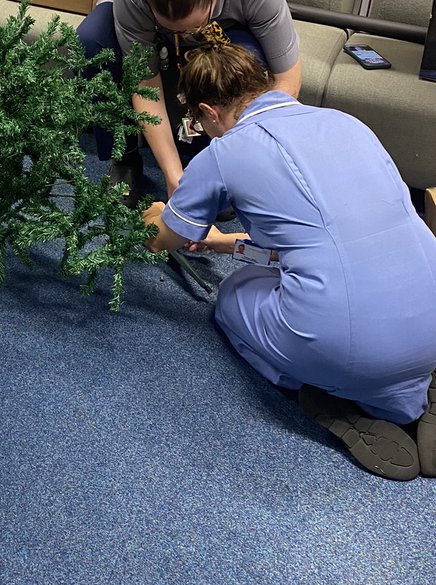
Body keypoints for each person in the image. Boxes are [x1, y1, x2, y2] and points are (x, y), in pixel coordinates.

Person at [142, 42, 436, 481]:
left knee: (233, 295)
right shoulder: (344, 121)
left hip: (343, 342)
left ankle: (324, 393)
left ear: (209, 111)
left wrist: (153, 220)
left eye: (198, 123)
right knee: (332, 271)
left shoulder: (223, 152)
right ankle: (409, 393)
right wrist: (226, 243)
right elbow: (330, 235)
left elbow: (164, 240)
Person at [77, 0, 301, 201]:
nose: (182, 38)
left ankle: (225, 167)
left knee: (250, 59)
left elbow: (287, 80)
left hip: (229, 23)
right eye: (171, 29)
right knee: (93, 40)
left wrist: (243, 159)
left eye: (190, 28)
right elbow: (144, 84)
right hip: (139, 10)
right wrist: (173, 176)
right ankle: (126, 157)